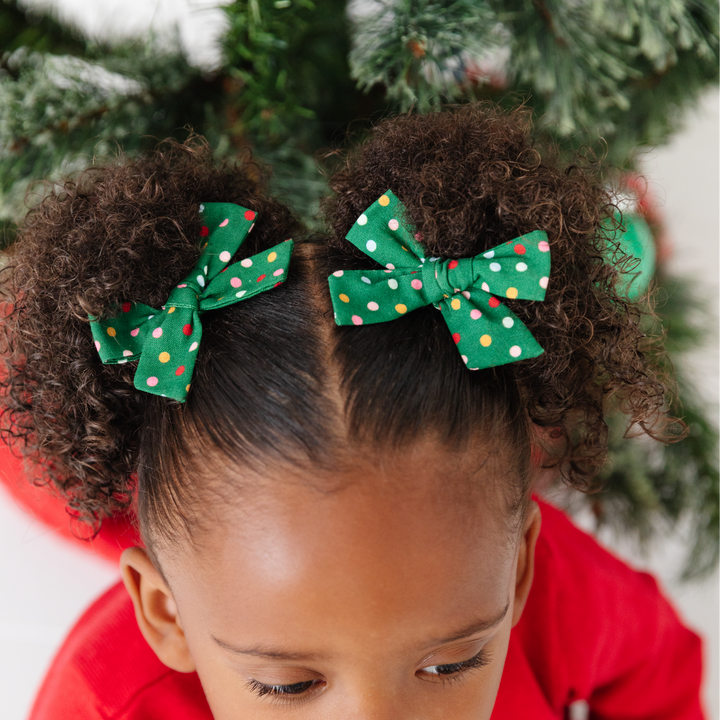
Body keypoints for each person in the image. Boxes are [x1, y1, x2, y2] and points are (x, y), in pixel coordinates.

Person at [0, 105, 703, 719]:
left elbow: (656, 670)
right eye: (289, 685)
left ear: (519, 566)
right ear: (165, 613)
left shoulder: (561, 599)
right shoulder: (104, 702)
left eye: (449, 666)